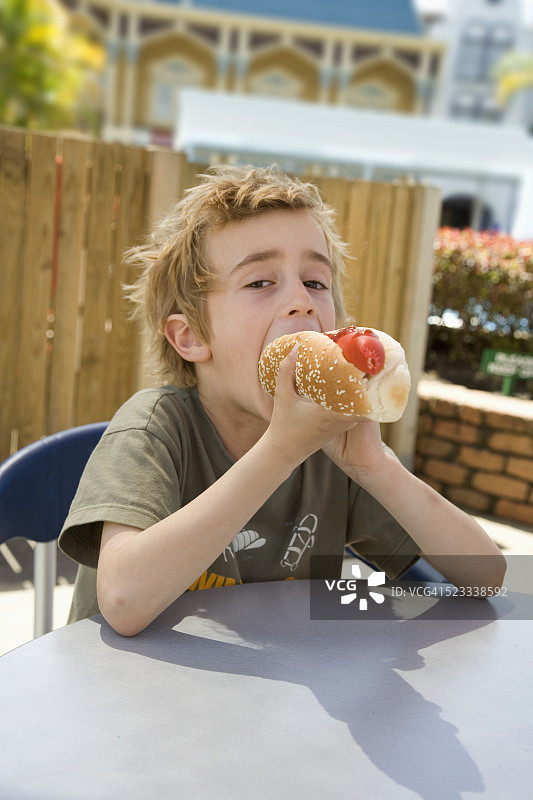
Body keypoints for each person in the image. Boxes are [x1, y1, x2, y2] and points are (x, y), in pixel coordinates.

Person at [59, 165, 505, 636]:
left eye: (315, 282)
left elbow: (486, 577)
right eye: (260, 283)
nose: (301, 301)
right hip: (122, 696)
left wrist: (375, 466)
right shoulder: (155, 430)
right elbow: (124, 602)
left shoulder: (333, 447)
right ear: (190, 336)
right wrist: (281, 450)